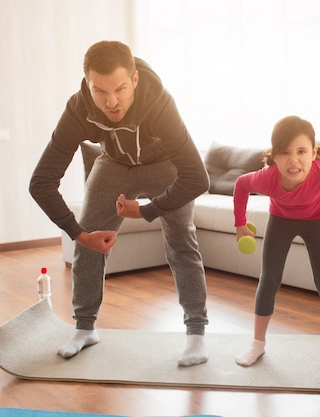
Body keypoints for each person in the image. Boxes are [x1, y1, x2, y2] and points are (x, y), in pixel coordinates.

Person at [29, 41, 210, 366]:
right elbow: (40, 183)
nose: (111, 102)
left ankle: (195, 334)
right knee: (89, 240)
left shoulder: (159, 104)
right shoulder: (79, 110)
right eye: (100, 91)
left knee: (182, 240)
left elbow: (198, 179)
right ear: (88, 83)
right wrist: (79, 234)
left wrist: (147, 210)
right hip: (113, 163)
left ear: (135, 80)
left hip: (163, 165)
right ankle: (85, 328)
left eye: (121, 89)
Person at [232, 116, 320, 372]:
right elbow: (241, 185)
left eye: (302, 151)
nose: (294, 160)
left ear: (314, 153)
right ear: (274, 156)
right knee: (269, 279)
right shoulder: (267, 178)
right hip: (281, 220)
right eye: (285, 152)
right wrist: (240, 224)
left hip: (316, 221)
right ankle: (257, 343)